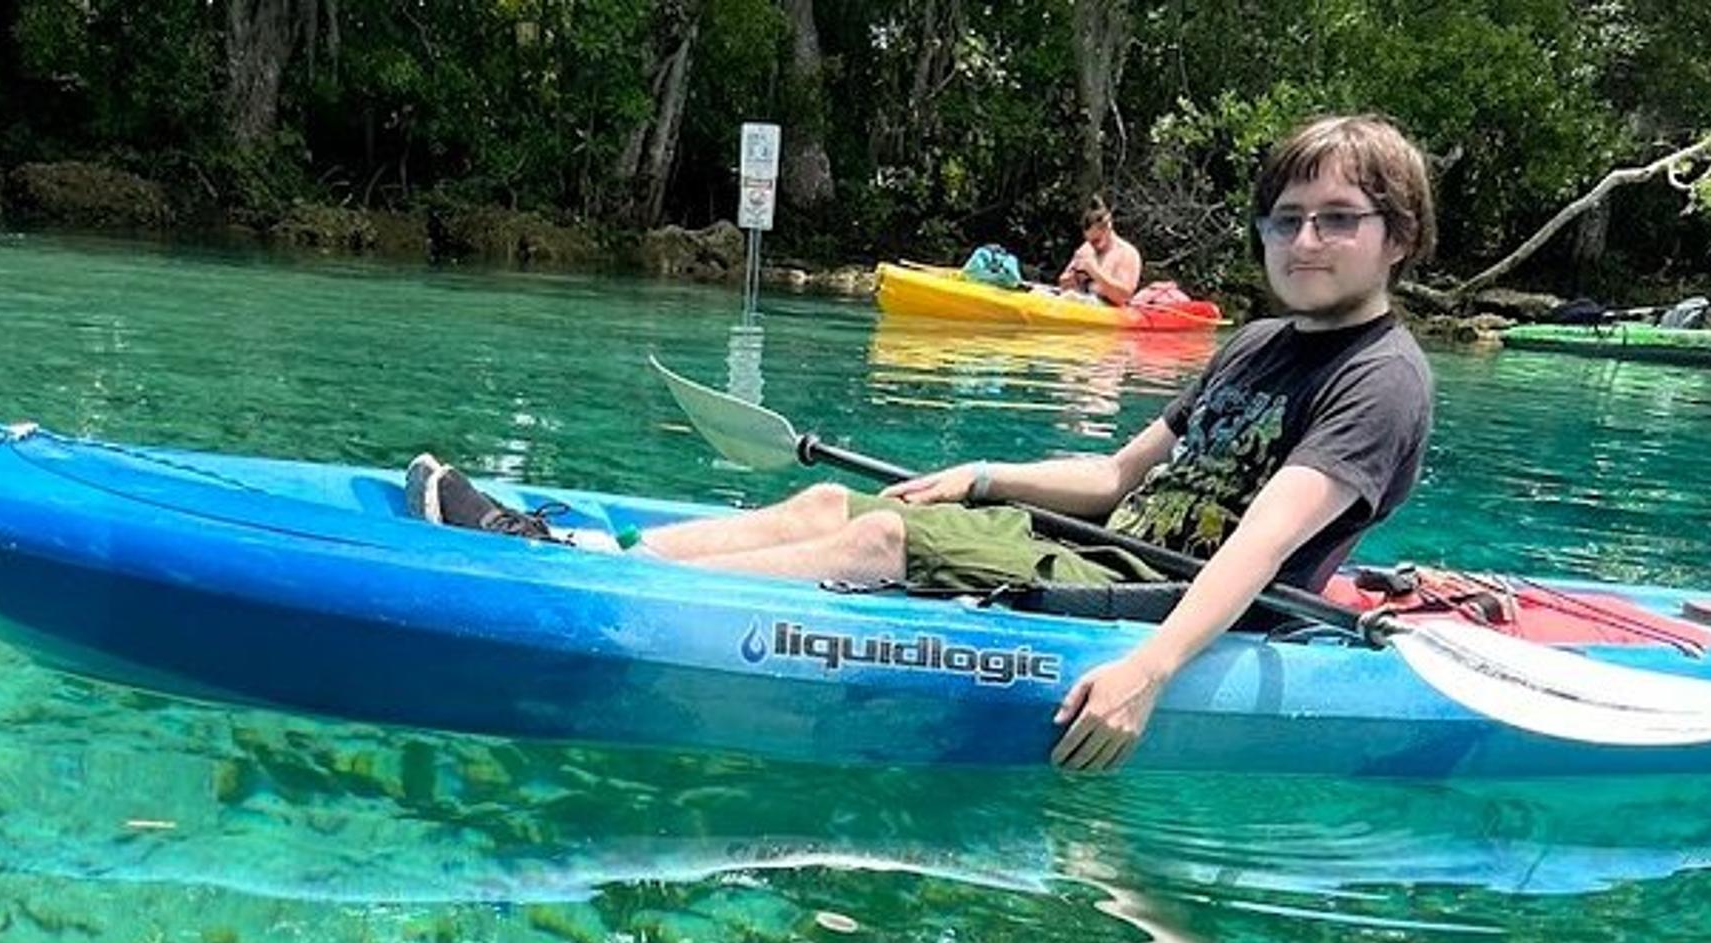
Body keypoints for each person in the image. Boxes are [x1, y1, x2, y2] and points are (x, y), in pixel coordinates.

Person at [404, 113, 1436, 772]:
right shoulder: (1254, 344)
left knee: (884, 545)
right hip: (1106, 548)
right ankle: (582, 559)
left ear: (1396, 235)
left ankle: (584, 607)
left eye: (1336, 219)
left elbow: (1257, 550)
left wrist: (1151, 673)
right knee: (839, 508)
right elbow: (1115, 475)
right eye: (1285, 218)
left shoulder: (1377, 378)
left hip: (1172, 594)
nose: (1303, 241)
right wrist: (982, 476)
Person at [1054, 197, 1142, 306]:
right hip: (1079, 302)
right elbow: (1063, 282)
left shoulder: (1127, 253)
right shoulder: (1086, 248)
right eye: (1089, 241)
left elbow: (1123, 296)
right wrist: (1071, 279)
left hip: (1108, 310)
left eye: (1096, 240)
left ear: (1108, 229)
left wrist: (1094, 271)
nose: (1092, 245)